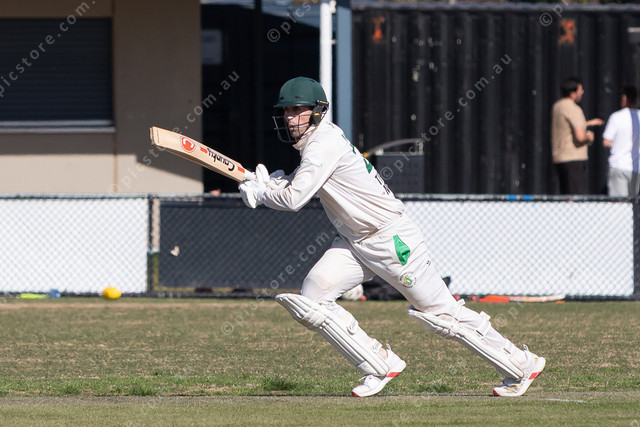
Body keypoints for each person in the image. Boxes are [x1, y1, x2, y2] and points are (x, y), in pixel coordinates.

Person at [238, 77, 545, 397]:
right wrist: (272, 183)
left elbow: (294, 199)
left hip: (391, 239)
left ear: (317, 111)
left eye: (296, 110)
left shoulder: (322, 144)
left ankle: (522, 364)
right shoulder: (318, 143)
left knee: (441, 314)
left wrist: (263, 193)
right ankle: (380, 364)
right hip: (354, 241)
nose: (289, 118)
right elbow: (300, 184)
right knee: (313, 297)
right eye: (286, 111)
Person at [551, 77, 604, 194]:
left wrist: (587, 123)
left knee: (565, 196)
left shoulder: (557, 106)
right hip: (573, 159)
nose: (582, 92)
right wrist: (590, 137)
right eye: (580, 90)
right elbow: (580, 137)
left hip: (560, 158)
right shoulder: (573, 108)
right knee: (576, 198)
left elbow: (566, 128)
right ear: (572, 93)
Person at [602, 86, 640, 197]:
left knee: (619, 203)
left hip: (618, 165)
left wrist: (619, 144)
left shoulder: (616, 117)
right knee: (633, 202)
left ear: (625, 98)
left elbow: (606, 141)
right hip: (636, 168)